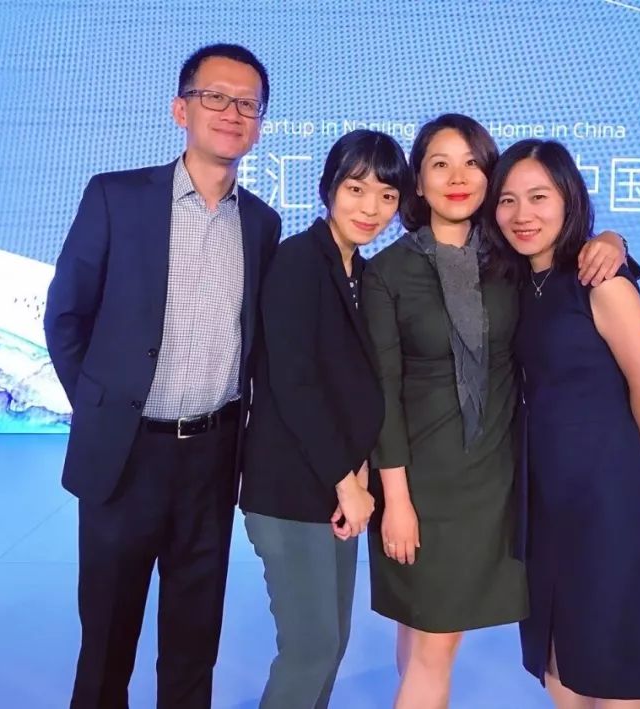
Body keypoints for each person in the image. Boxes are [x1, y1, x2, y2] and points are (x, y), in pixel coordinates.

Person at [361, 114, 630, 709]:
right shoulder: (387, 273)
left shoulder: (509, 260)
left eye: (472, 164)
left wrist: (613, 240)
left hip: (497, 483)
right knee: (430, 645)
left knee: (426, 642)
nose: (457, 178)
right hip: (422, 487)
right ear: (417, 180)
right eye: (440, 164)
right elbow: (381, 396)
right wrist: (396, 501)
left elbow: (574, 258)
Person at [44, 44, 281, 709]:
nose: (231, 113)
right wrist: (104, 410)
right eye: (215, 97)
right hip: (126, 456)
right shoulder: (116, 197)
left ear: (260, 124)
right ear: (182, 109)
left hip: (213, 457)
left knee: (193, 645)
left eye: (248, 104)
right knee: (106, 643)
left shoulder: (262, 224)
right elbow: (66, 316)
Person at [484, 138, 640, 707]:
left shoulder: (601, 280)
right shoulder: (516, 282)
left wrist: (624, 471)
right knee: (556, 651)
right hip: (541, 499)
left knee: (612, 658)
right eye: (508, 199)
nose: (523, 214)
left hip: (604, 500)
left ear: (569, 198)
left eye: (539, 197)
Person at [239, 129, 412, 709]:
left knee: (330, 645)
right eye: (356, 189)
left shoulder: (357, 271)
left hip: (336, 487)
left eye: (387, 196)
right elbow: (295, 384)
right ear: (328, 188)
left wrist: (356, 475)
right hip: (291, 490)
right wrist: (348, 482)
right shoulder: (298, 262)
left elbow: (351, 387)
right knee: (310, 649)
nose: (371, 208)